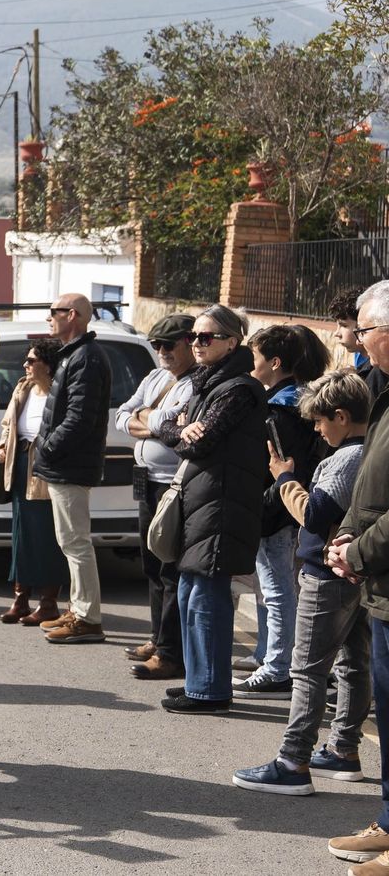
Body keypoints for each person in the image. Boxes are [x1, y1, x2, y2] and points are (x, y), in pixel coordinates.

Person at [235, 370, 370, 795]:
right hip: (359, 572)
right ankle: (343, 749)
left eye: (320, 420)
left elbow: (314, 516)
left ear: (342, 416)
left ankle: (293, 760)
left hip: (326, 573)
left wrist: (284, 479)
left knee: (308, 669)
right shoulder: (374, 451)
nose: (316, 428)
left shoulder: (345, 459)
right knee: (353, 664)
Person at [155, 304, 268, 714]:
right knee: (189, 593)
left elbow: (198, 443)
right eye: (193, 337)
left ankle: (209, 690)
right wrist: (180, 427)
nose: (196, 344)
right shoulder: (207, 382)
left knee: (206, 598)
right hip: (200, 502)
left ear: (232, 342)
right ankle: (198, 681)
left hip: (222, 505)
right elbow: (167, 424)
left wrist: (182, 431)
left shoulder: (238, 388)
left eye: (206, 338)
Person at [325, 281, 389, 875]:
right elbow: (371, 481)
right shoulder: (387, 392)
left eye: (365, 331)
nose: (359, 344)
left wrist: (360, 550)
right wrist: (346, 536)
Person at [240, 323, 331, 693]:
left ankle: (278, 665)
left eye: (256, 357)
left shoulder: (280, 409)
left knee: (277, 589)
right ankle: (267, 653)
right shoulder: (287, 400)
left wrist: (263, 510)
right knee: (271, 587)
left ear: (275, 362)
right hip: (282, 509)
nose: (251, 363)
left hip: (277, 512)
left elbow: (282, 467)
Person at [113, 314, 197, 678]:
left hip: (172, 484)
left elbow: (174, 429)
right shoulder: (155, 377)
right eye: (157, 345)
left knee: (169, 567)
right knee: (150, 564)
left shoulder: (194, 383)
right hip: (146, 478)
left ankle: (170, 653)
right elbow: (122, 416)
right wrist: (153, 422)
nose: (162, 352)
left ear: (189, 343)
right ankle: (157, 637)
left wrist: (148, 420)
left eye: (169, 345)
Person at [33, 293, 113, 645]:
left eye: (52, 312)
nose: (48, 318)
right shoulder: (76, 355)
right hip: (64, 464)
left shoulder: (87, 358)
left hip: (70, 465)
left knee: (76, 542)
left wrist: (47, 449)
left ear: (72, 315)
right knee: (70, 541)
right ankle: (79, 609)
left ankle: (87, 618)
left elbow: (79, 418)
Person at [0, 338, 68, 625]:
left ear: (48, 365)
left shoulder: (60, 394)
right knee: (21, 534)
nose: (25, 365)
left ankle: (48, 603)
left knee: (46, 535)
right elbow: (9, 424)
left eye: (32, 360)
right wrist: (1, 446)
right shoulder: (22, 388)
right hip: (19, 462)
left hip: (45, 465)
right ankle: (21, 599)